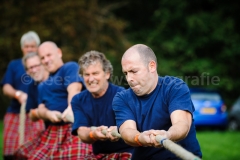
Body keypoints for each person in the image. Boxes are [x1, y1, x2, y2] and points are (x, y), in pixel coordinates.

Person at [112, 44, 202, 160]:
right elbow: (127, 131)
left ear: (152, 66)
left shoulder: (175, 87)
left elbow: (182, 124)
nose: (129, 79)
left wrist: (167, 135)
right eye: (126, 73)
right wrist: (140, 138)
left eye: (134, 71)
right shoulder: (122, 98)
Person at [20, 41, 92, 159]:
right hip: (52, 131)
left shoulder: (69, 67)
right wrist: (48, 114)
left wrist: (70, 108)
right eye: (43, 57)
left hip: (74, 126)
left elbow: (74, 88)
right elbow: (41, 108)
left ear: (59, 53)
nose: (46, 60)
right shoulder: (42, 86)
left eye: (49, 55)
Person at [71, 51, 133, 159]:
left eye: (95, 73)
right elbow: (82, 132)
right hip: (99, 156)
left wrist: (119, 130)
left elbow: (132, 127)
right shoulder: (78, 100)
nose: (91, 79)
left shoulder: (122, 96)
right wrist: (93, 134)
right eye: (87, 74)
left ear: (107, 74)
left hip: (127, 153)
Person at [1, 31, 42, 160]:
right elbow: (6, 87)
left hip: (37, 113)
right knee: (11, 152)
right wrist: (18, 94)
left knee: (36, 151)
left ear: (37, 47)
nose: (29, 49)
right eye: (26, 46)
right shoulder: (14, 65)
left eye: (32, 46)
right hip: (16, 113)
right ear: (22, 48)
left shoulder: (43, 64)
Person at [14, 52, 49, 159]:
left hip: (69, 128)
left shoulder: (57, 79)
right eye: (30, 68)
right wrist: (38, 112)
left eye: (37, 65)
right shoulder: (32, 87)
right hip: (47, 130)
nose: (34, 70)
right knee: (20, 153)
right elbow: (31, 115)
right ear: (27, 71)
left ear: (43, 64)